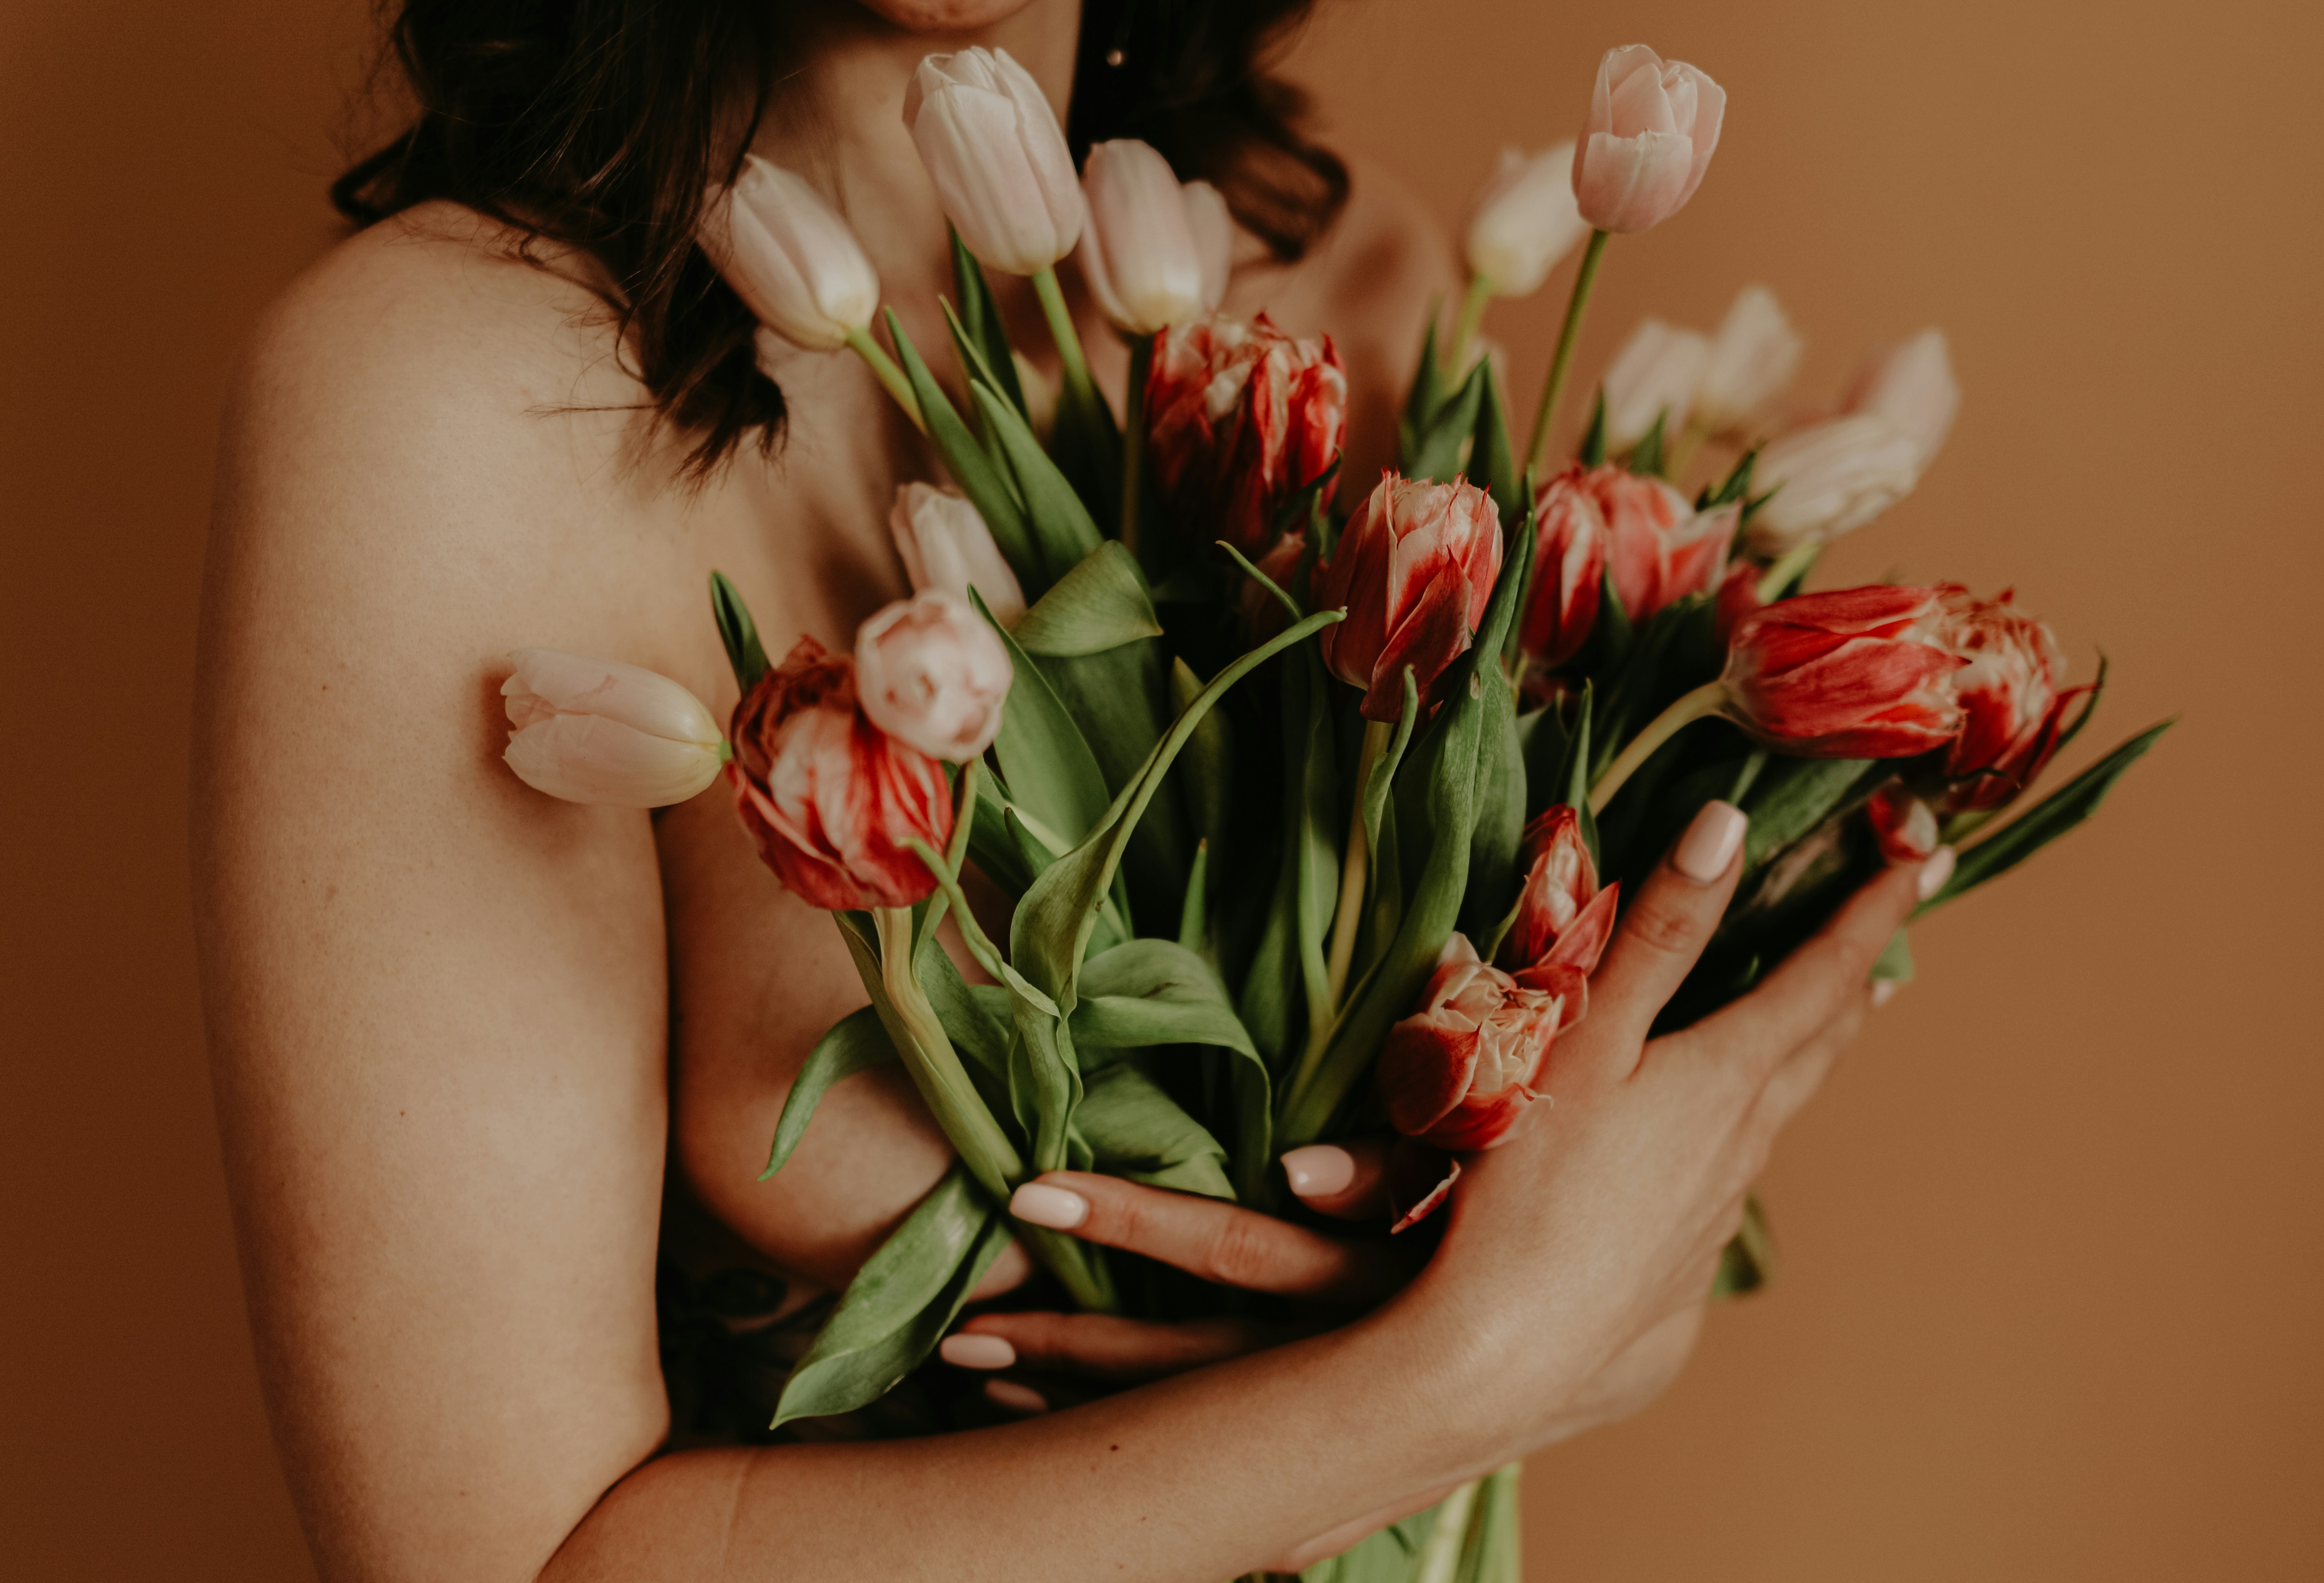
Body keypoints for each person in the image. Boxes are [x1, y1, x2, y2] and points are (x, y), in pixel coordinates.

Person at [190, 1, 1935, 1576]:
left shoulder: (1363, 288)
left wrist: (1615, 1282)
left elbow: (1583, 1226)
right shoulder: (442, 412)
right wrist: (1474, 1369)